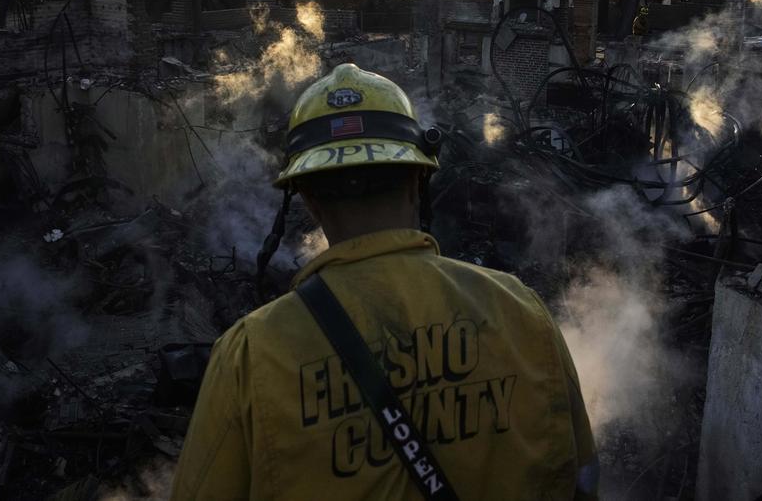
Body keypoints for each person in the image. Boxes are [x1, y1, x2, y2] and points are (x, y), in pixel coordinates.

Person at [170, 63, 598, 500]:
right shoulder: (522, 313)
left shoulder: (248, 358)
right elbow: (582, 479)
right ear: (418, 180)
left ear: (309, 201)